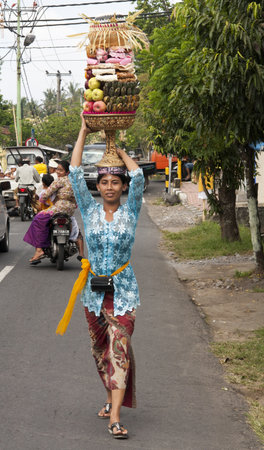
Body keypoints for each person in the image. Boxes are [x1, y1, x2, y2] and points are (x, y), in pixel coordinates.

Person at [59, 116, 144, 439]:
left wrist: (118, 150)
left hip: (124, 292)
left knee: (119, 349)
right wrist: (83, 130)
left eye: (115, 182)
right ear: (99, 187)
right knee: (100, 352)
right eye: (105, 182)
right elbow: (75, 172)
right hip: (93, 293)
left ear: (122, 187)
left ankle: (117, 417)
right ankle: (110, 398)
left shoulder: (131, 211)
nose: (110, 187)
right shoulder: (90, 211)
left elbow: (138, 175)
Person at [23, 160, 77, 263]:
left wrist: (42, 201)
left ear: (67, 172)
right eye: (57, 169)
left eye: (61, 170)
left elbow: (46, 194)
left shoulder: (60, 180)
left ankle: (39, 250)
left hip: (59, 207)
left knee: (38, 219)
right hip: (70, 209)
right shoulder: (74, 181)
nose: (58, 172)